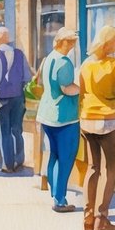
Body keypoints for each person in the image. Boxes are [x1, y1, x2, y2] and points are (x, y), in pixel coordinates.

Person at [77, 26, 115, 230]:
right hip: (110, 121)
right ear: (109, 43)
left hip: (87, 120)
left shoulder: (85, 64)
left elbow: (80, 92)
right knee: (110, 171)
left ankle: (88, 218)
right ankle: (102, 218)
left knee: (93, 168)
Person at [37, 27, 80, 213]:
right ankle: (60, 199)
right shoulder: (64, 63)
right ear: (63, 42)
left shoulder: (49, 58)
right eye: (70, 42)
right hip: (64, 116)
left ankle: (55, 192)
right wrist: (81, 89)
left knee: (54, 154)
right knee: (66, 158)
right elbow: (66, 88)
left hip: (47, 113)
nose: (72, 45)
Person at [0, 27, 33, 173]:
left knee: (4, 131)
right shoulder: (19, 54)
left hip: (1, 99)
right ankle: (19, 160)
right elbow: (27, 77)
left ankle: (7, 165)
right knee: (17, 129)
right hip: (18, 97)